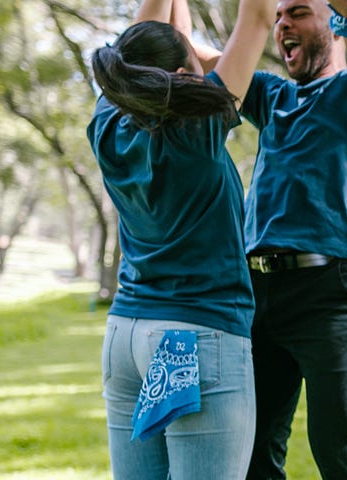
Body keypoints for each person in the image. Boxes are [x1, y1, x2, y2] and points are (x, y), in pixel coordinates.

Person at [87, 0, 274, 476]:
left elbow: (151, 36)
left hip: (126, 337)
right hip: (193, 337)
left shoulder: (107, 121)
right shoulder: (198, 126)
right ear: (179, 75)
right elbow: (256, 16)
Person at [235, 0, 347, 477]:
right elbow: (203, 58)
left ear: (334, 26)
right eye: (277, 18)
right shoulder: (271, 96)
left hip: (329, 292)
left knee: (340, 453)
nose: (282, 25)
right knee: (251, 453)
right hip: (256, 294)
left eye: (297, 13)